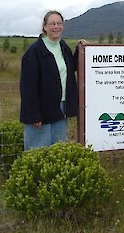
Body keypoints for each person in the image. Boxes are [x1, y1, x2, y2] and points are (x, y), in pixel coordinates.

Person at [20, 10, 87, 150]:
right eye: (52, 23)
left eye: (59, 23)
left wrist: (81, 50)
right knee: (37, 151)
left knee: (58, 149)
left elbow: (70, 67)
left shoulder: (63, 47)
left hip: (60, 108)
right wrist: (33, 115)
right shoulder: (34, 51)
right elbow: (28, 87)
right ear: (45, 27)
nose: (56, 26)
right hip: (41, 111)